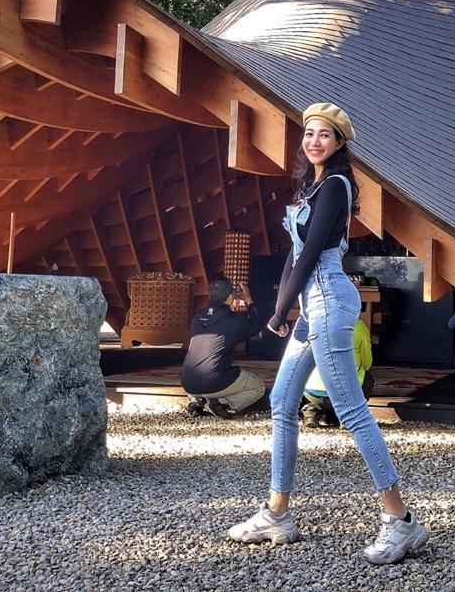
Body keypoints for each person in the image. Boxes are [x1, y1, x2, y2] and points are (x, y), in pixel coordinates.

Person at [228, 103, 429, 564]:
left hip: (329, 301)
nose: (314, 141)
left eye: (324, 134)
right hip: (312, 305)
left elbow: (313, 251)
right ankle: (277, 513)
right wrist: (282, 307)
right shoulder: (312, 187)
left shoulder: (336, 184)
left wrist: (281, 309)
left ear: (339, 143)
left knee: (352, 410)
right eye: (309, 133)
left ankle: (401, 520)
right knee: (282, 401)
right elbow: (294, 253)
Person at [181, 276, 268, 418]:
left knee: (205, 373)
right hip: (214, 380)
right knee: (258, 387)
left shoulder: (197, 318)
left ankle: (199, 401)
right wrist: (248, 300)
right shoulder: (234, 320)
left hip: (188, 382)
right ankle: (222, 404)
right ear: (230, 297)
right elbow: (258, 323)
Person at [301, 316, 375, 428]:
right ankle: (349, 415)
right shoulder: (359, 326)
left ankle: (311, 411)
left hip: (312, 392)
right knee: (368, 378)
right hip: (346, 393)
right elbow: (367, 363)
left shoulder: (313, 322)